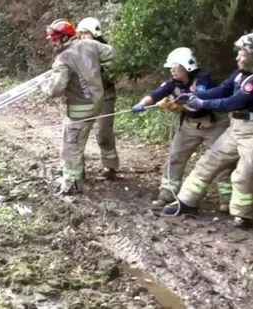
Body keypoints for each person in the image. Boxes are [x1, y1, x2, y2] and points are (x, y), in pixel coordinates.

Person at [162, 34, 253, 229]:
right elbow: (222, 90)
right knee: (209, 161)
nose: (238, 57)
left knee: (245, 172)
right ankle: (186, 201)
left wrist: (202, 102)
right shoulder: (239, 74)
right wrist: (192, 96)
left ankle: (243, 214)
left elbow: (233, 102)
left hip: (251, 133)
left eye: (243, 53)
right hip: (235, 127)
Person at [131, 47, 233, 211]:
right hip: (190, 125)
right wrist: (142, 104)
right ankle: (167, 194)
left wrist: (176, 104)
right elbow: (156, 93)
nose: (171, 70)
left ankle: (227, 200)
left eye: (175, 66)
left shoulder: (203, 79)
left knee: (223, 161)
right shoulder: (173, 83)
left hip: (214, 124)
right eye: (170, 67)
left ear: (187, 66)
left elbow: (199, 103)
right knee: (175, 156)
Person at [40, 18, 116, 195]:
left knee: (71, 145)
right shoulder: (90, 44)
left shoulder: (63, 59)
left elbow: (54, 90)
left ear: (65, 38)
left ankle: (72, 185)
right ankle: (78, 173)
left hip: (80, 109)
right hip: (97, 102)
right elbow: (112, 53)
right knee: (78, 141)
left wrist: (44, 84)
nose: (53, 42)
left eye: (55, 38)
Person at [76, 17, 119, 180]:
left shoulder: (106, 51)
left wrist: (97, 70)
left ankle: (110, 165)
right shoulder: (77, 51)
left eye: (85, 33)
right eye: (80, 34)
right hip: (84, 98)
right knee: (78, 133)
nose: (82, 37)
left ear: (95, 33)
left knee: (103, 132)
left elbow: (112, 74)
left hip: (105, 97)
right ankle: (77, 169)